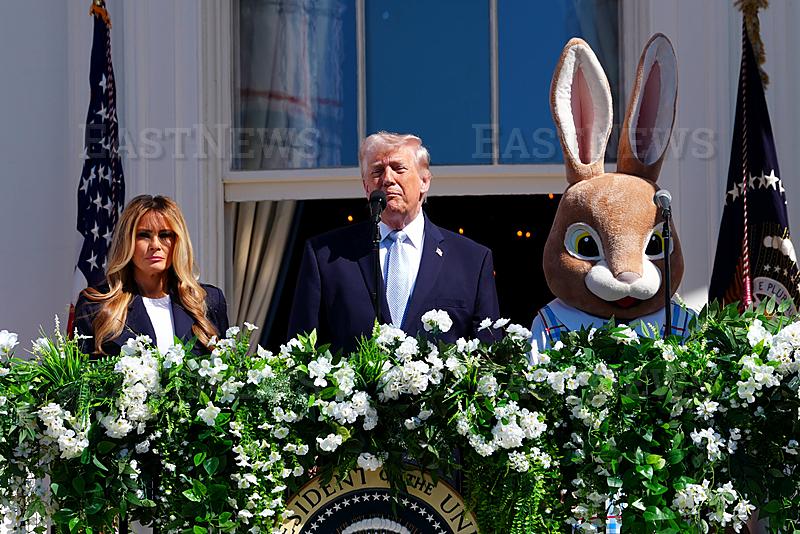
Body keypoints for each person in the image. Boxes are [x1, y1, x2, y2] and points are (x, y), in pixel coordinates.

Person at [288, 132, 499, 353]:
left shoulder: (471, 260)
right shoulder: (326, 256)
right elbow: (301, 353)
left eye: (399, 168)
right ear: (366, 187)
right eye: (377, 171)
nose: (387, 179)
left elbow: (488, 357)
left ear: (424, 181)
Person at [74, 195, 229, 356]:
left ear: (177, 241)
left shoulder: (207, 300)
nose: (155, 245)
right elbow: (83, 377)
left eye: (165, 235)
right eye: (144, 235)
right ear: (127, 242)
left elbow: (226, 372)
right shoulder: (95, 305)